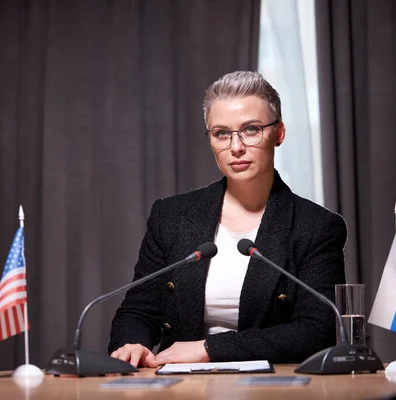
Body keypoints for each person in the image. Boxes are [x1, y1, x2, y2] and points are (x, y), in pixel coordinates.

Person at [108, 71, 347, 368]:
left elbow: (317, 331)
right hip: (178, 385)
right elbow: (138, 310)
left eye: (250, 130)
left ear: (279, 133)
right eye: (221, 133)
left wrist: (210, 349)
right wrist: (133, 344)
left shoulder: (316, 227)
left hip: (273, 386)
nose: (236, 147)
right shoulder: (171, 216)